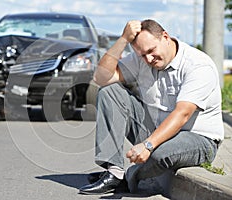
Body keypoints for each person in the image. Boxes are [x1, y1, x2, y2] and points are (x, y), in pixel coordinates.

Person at [79, 19, 224, 195]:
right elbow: (101, 78)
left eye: (151, 51)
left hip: (198, 140)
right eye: (142, 55)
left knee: (159, 154)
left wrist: (148, 145)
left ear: (165, 37)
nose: (148, 59)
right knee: (110, 91)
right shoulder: (142, 59)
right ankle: (114, 173)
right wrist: (123, 39)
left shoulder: (197, 65)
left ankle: (128, 177)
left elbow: (182, 114)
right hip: (156, 130)